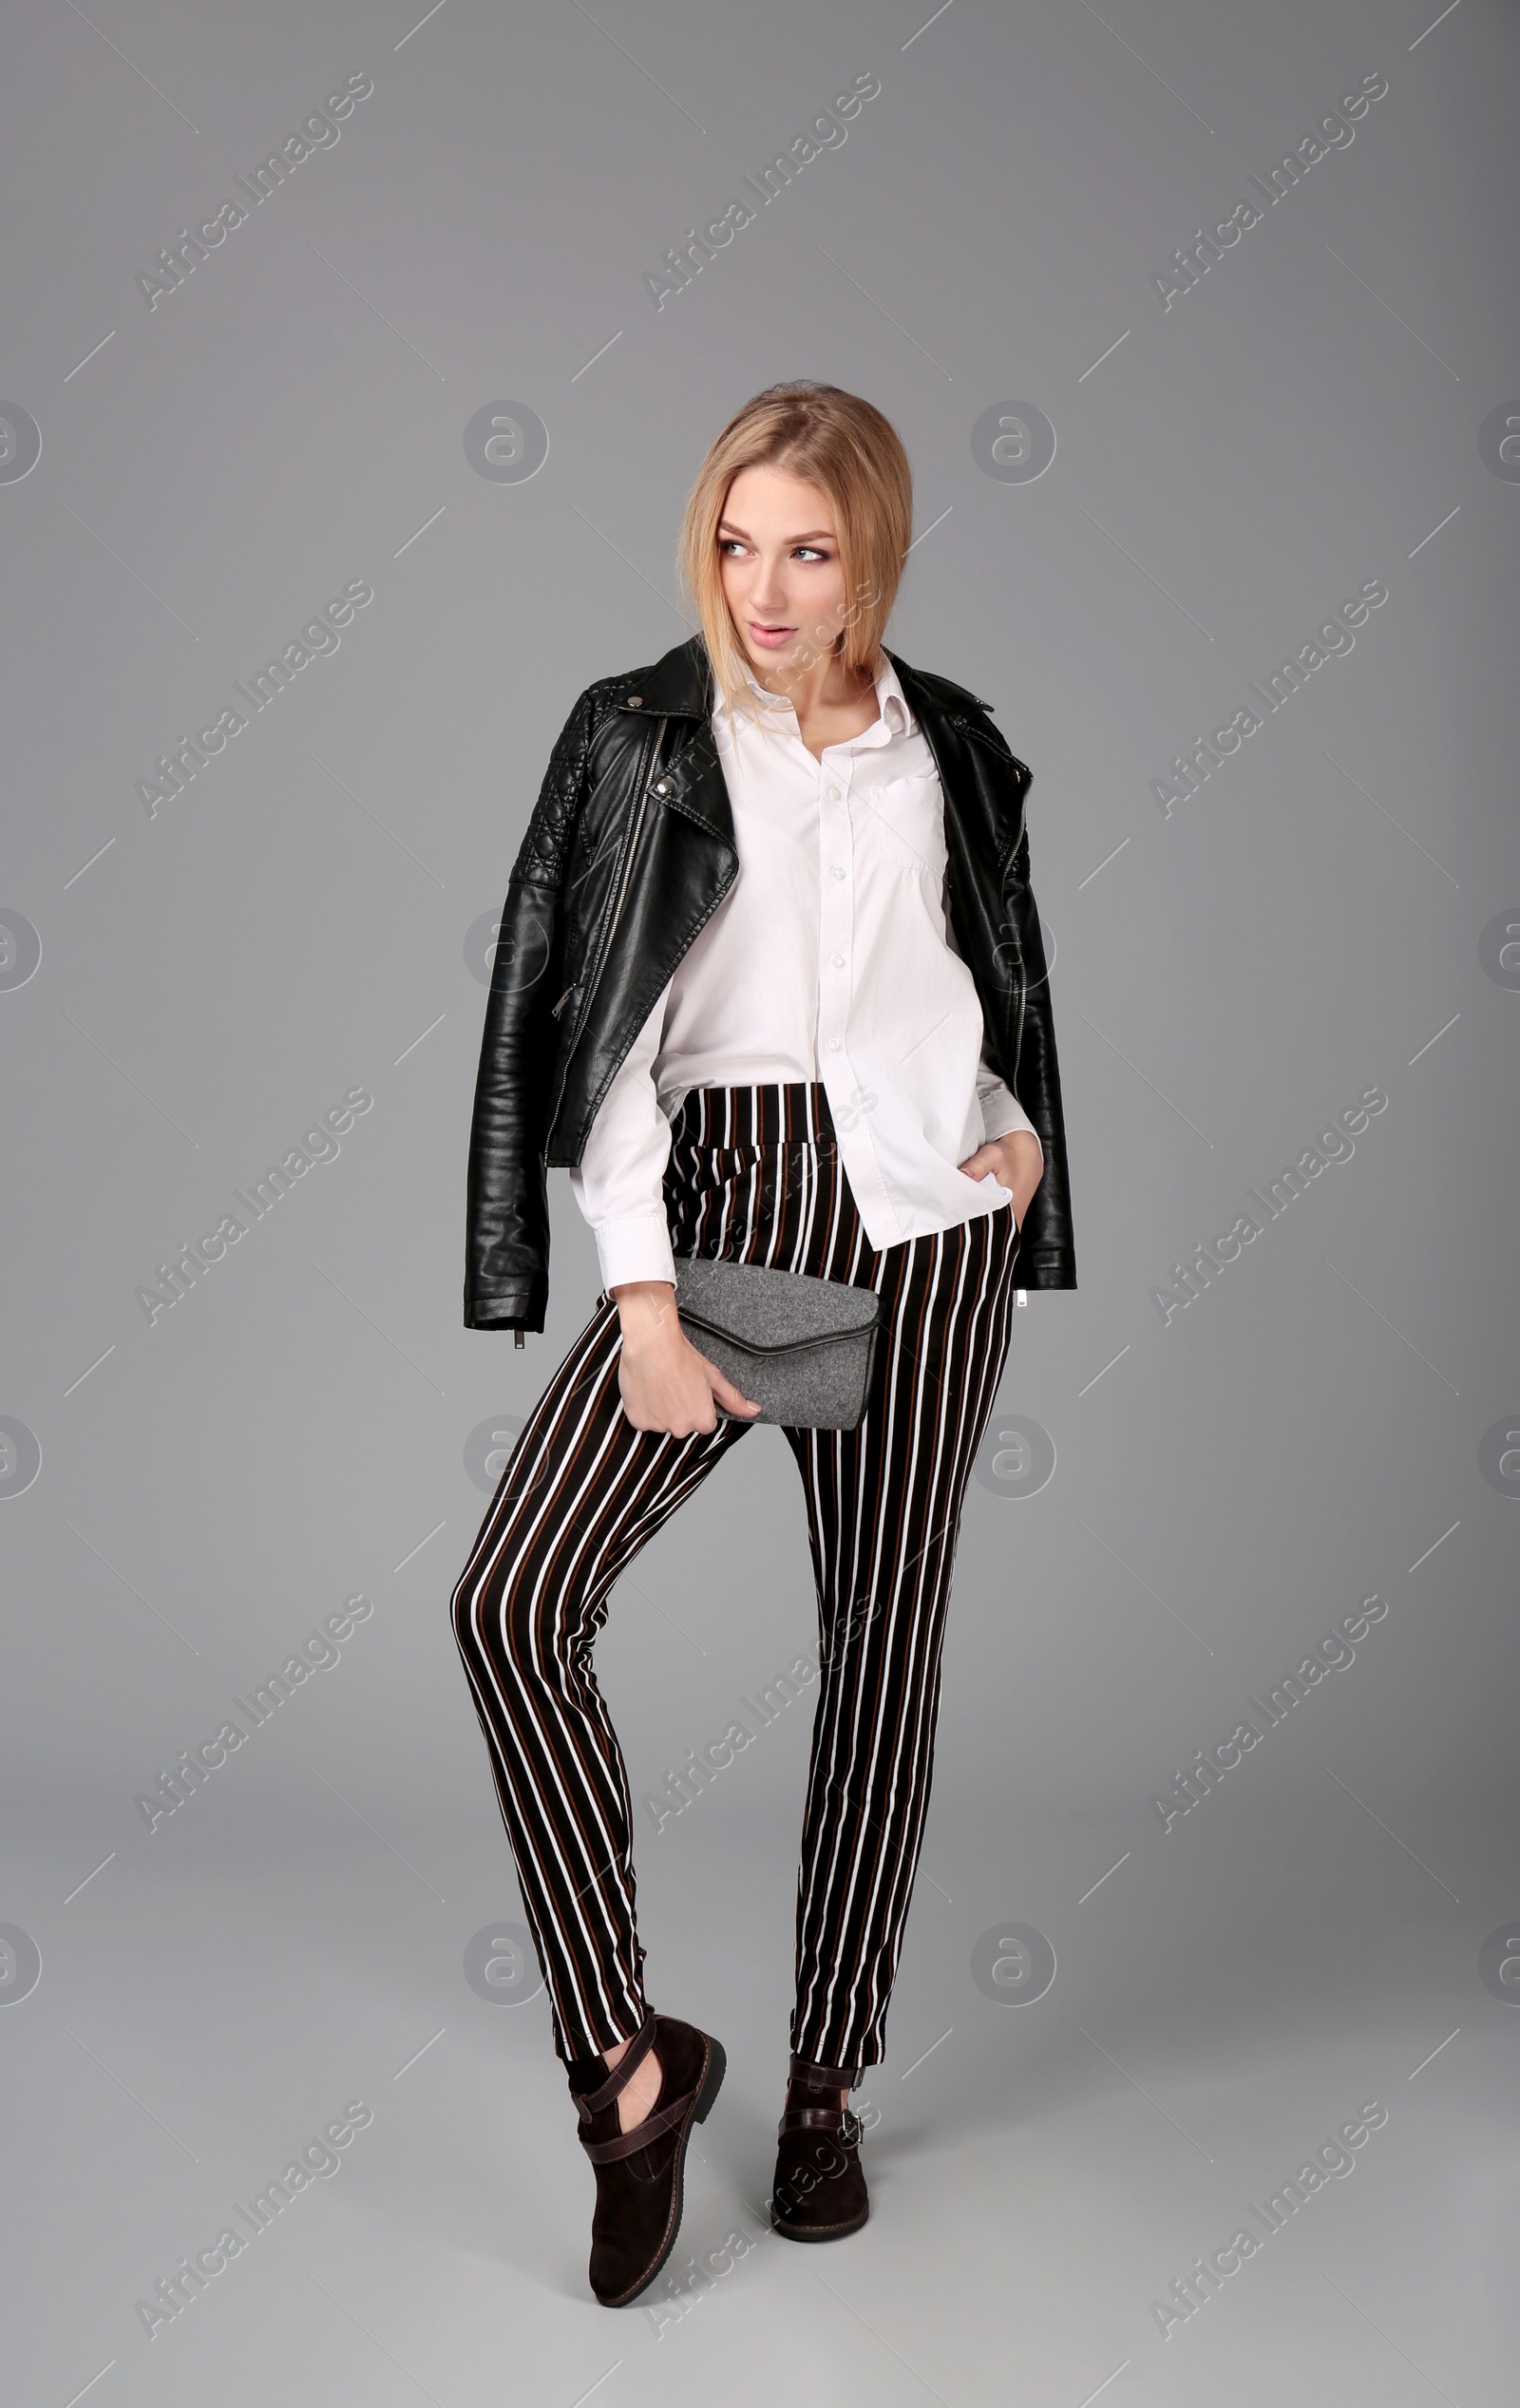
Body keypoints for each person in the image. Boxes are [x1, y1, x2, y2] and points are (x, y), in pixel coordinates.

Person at [451, 380, 1075, 2307]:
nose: (765, 585)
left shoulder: (942, 745)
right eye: (735, 541)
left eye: (806, 545)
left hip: (920, 1235)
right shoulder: (640, 737)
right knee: (511, 1602)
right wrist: (639, 1295)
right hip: (719, 1220)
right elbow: (587, 1028)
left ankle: (821, 2089)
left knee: (878, 1654)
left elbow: (988, 976)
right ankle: (626, 2074)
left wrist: (1021, 1131)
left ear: (871, 548)